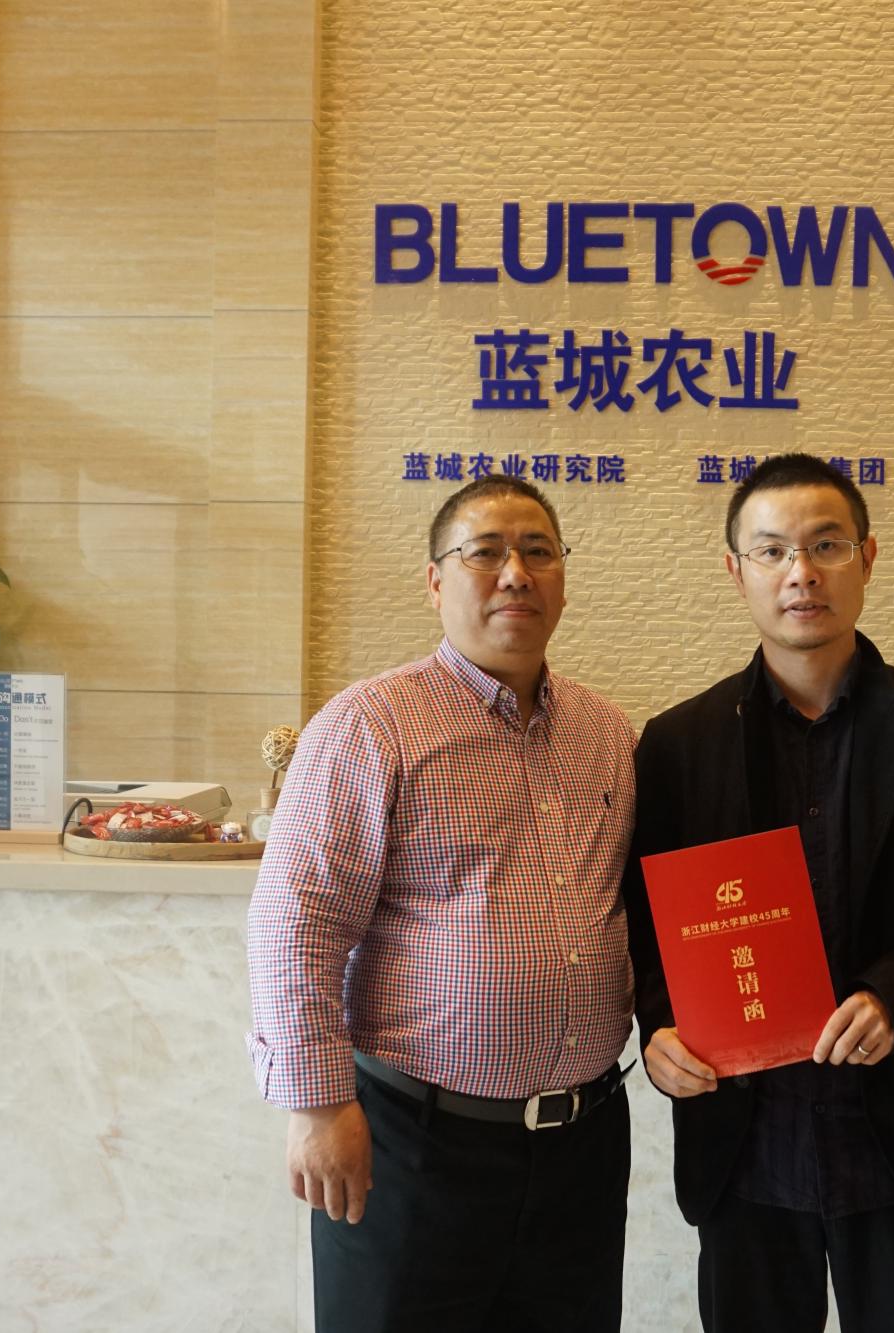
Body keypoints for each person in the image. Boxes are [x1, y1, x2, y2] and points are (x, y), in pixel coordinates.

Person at [624, 453, 894, 1332]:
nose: (801, 572)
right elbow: (647, 926)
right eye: (772, 550)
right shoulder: (679, 744)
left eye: (826, 545)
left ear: (867, 557)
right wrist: (657, 1028)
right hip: (746, 1148)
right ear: (736, 570)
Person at [247, 474, 637, 1333]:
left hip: (582, 1148)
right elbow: (297, 921)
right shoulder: (370, 723)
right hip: (413, 1145)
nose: (515, 573)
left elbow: (632, 906)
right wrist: (317, 1104)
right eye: (484, 552)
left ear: (563, 577)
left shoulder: (608, 734)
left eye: (538, 552)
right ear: (435, 580)